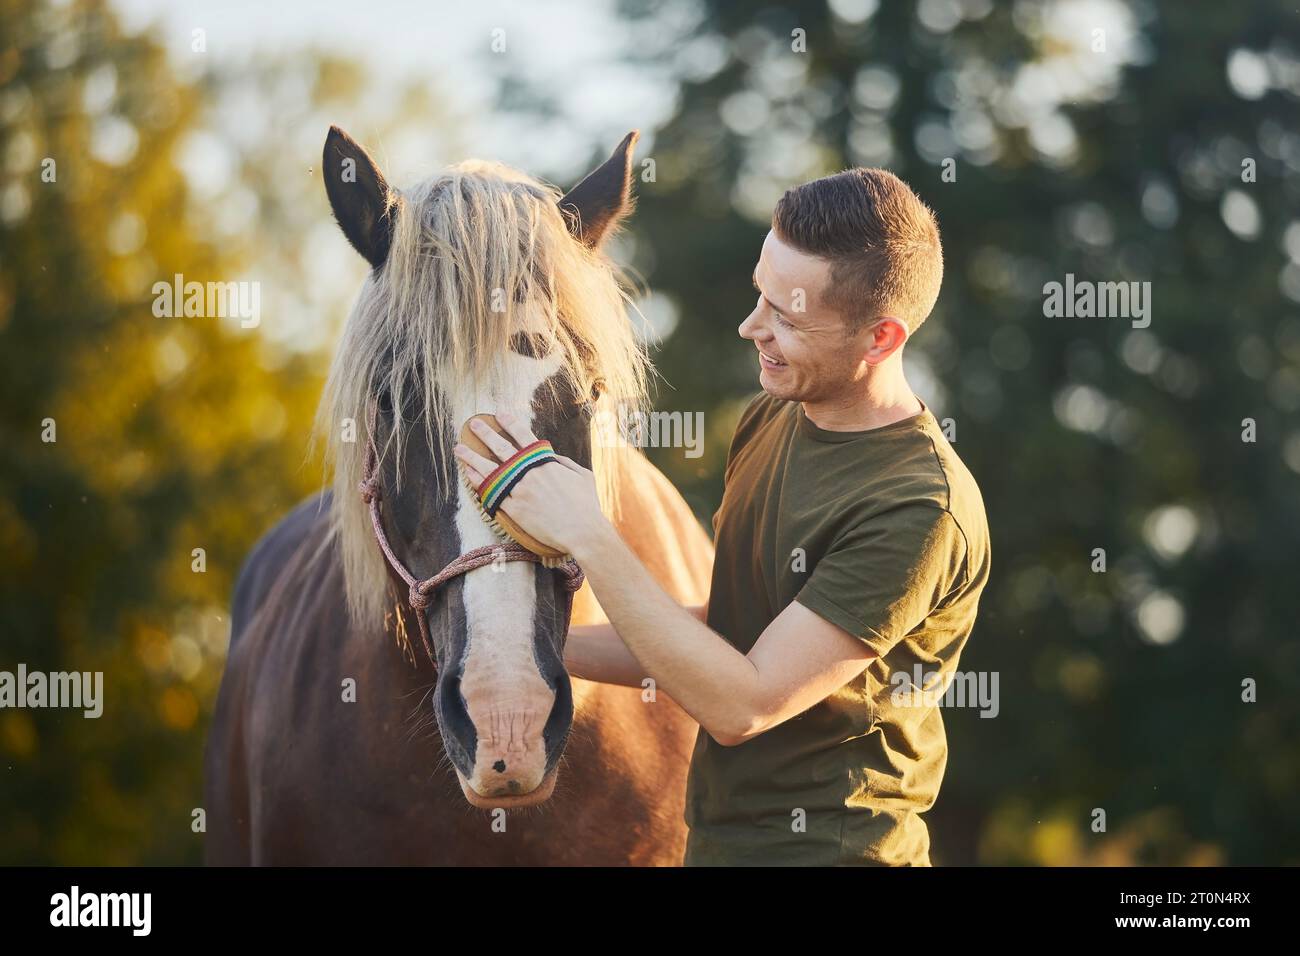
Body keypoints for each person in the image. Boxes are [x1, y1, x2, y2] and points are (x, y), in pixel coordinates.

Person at [455, 167, 991, 866]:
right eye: (759, 294)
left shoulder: (918, 508)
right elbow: (733, 636)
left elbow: (744, 702)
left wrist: (585, 530)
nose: (752, 327)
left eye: (788, 318)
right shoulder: (772, 415)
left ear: (880, 338)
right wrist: (526, 644)